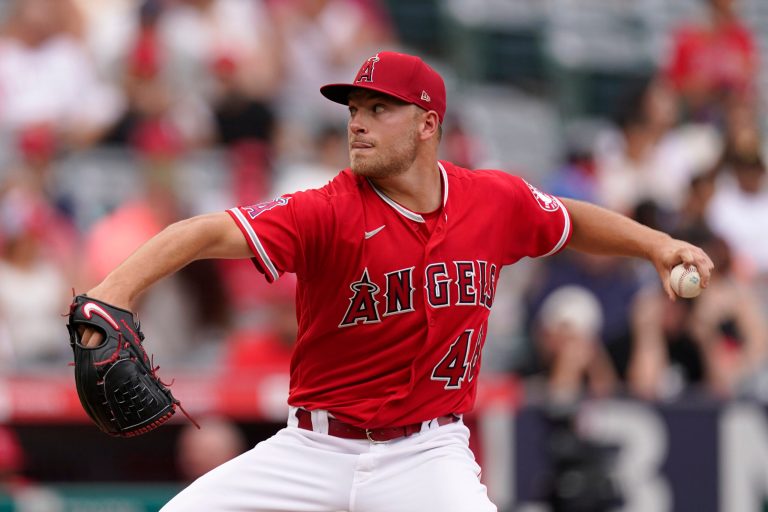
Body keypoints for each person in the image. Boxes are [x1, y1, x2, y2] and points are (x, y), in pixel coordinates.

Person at [76, 51, 713, 511]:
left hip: (426, 456)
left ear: (426, 124)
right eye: (354, 109)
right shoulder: (328, 209)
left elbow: (569, 220)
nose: (357, 123)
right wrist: (115, 291)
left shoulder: (492, 200)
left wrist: (657, 245)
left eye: (379, 110)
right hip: (312, 451)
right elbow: (205, 233)